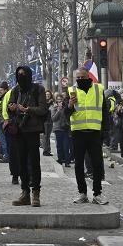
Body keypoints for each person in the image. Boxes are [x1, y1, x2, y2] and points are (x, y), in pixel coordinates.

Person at [65, 67, 110, 205]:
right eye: (77, 78)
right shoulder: (71, 91)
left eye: (82, 77)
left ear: (88, 76)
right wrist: (70, 105)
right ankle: (82, 193)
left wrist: (104, 131)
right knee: (78, 165)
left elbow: (104, 111)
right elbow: (65, 116)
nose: (79, 80)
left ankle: (97, 194)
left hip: (95, 132)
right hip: (78, 132)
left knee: (97, 164)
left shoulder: (99, 89)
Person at [8, 66, 48, 207]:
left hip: (32, 130)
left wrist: (28, 109)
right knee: (21, 163)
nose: (21, 76)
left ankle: (35, 193)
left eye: (23, 74)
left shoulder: (38, 89)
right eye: (18, 74)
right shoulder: (15, 90)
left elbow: (43, 109)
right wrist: (11, 107)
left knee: (34, 163)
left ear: (29, 75)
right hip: (18, 130)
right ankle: (24, 192)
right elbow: (10, 105)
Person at [51, 93, 71, 167]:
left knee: (66, 145)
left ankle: (67, 161)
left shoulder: (65, 107)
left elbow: (68, 116)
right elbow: (53, 118)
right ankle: (60, 159)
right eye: (58, 100)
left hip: (65, 128)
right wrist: (58, 110)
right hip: (57, 129)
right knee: (59, 146)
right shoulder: (54, 108)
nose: (59, 101)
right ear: (56, 100)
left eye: (60, 100)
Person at [0, 82, 9, 163]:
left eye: (2, 90)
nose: (0, 91)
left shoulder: (6, 97)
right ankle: (6, 155)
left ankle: (7, 156)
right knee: (3, 141)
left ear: (6, 90)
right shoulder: (2, 97)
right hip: (1, 121)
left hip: (4, 122)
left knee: (4, 141)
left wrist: (4, 120)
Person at [42, 90, 54, 157]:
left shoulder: (52, 102)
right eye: (46, 94)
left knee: (48, 136)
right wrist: (48, 104)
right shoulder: (43, 102)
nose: (47, 96)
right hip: (45, 121)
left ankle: (48, 150)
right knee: (45, 136)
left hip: (50, 120)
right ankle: (45, 151)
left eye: (49, 94)